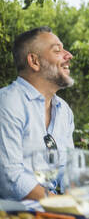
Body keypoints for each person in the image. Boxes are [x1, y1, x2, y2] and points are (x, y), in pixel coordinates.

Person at [0, 26, 75, 201]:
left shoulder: (64, 111)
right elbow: (10, 179)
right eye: (57, 50)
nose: (68, 55)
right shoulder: (7, 103)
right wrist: (58, 203)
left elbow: (67, 169)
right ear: (34, 61)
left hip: (51, 209)